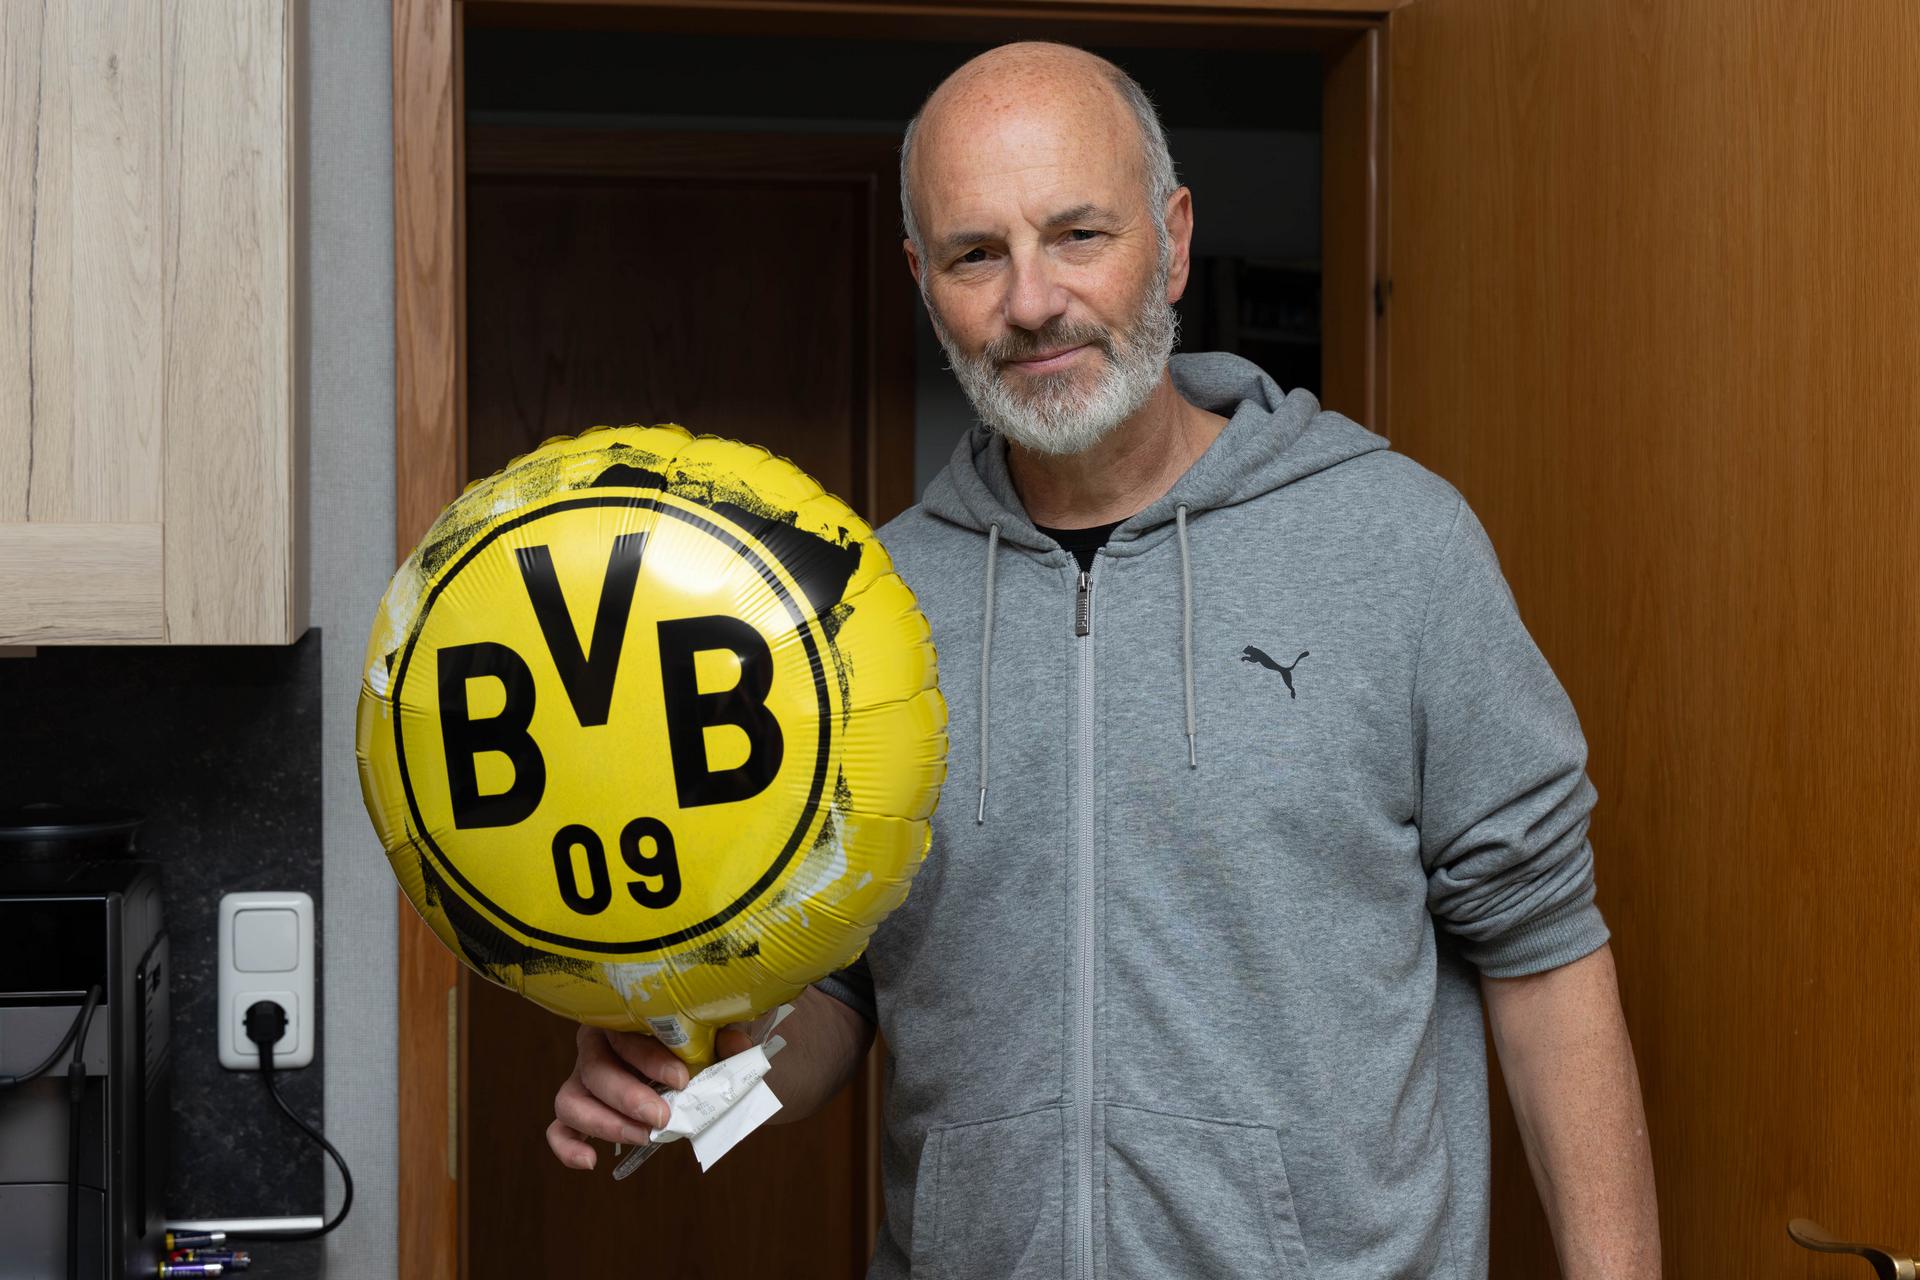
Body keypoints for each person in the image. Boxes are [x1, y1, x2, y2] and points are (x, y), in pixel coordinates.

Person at [547, 41, 1661, 1280]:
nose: (1032, 302)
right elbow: (844, 994)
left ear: (1171, 242)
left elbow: (1546, 959)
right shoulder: (865, 609)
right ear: (923, 279)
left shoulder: (1398, 544)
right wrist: (695, 1069)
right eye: (977, 254)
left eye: (1079, 235)